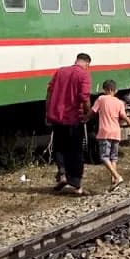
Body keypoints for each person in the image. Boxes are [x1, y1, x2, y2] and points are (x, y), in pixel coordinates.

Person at [46, 53, 93, 194]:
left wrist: (48, 112)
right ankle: (76, 183)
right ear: (87, 64)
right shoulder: (84, 75)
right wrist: (88, 114)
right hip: (73, 118)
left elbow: (49, 92)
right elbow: (84, 97)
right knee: (75, 151)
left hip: (57, 117)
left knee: (59, 147)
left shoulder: (60, 71)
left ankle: (62, 173)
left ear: (76, 61)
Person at [92, 79, 130, 190]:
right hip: (116, 133)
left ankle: (117, 177)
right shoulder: (119, 102)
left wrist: (85, 118)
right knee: (114, 157)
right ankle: (113, 181)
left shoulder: (101, 99)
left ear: (105, 90)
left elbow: (93, 111)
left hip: (105, 132)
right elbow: (125, 117)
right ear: (115, 90)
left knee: (104, 157)